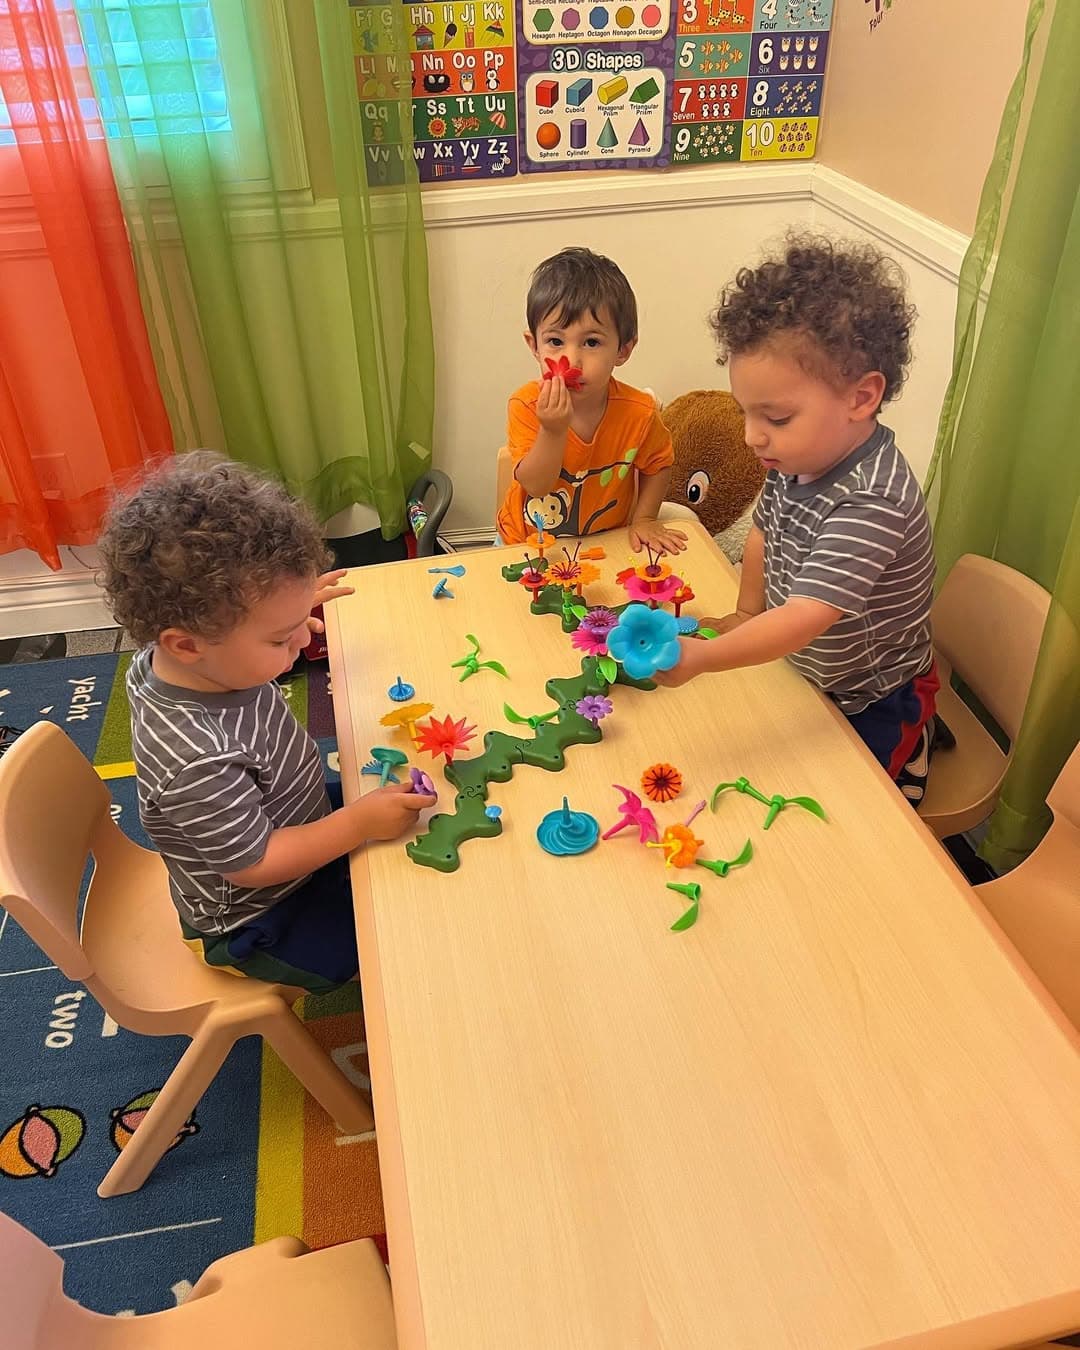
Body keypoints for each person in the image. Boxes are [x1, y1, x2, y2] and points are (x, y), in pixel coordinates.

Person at [97, 454, 435, 994]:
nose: (304, 642)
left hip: (287, 808)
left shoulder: (191, 658)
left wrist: (285, 613)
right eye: (281, 638)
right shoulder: (196, 759)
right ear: (187, 644)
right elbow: (254, 864)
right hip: (258, 912)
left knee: (407, 819)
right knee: (404, 938)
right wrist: (356, 826)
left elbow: (232, 639)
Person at [655, 236, 941, 802]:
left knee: (856, 810)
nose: (751, 436)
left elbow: (808, 616)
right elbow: (764, 529)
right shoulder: (798, 454)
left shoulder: (872, 499)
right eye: (746, 412)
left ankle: (917, 745)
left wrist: (706, 656)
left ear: (861, 398)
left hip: (871, 694)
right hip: (809, 671)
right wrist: (745, 610)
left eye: (777, 417)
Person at [495, 246, 687, 554]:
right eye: (555, 341)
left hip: (604, 543)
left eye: (592, 342)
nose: (572, 360)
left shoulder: (639, 413)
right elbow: (536, 486)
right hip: (525, 544)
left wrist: (645, 518)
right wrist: (553, 431)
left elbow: (658, 464)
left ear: (623, 350)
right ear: (534, 345)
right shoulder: (526, 404)